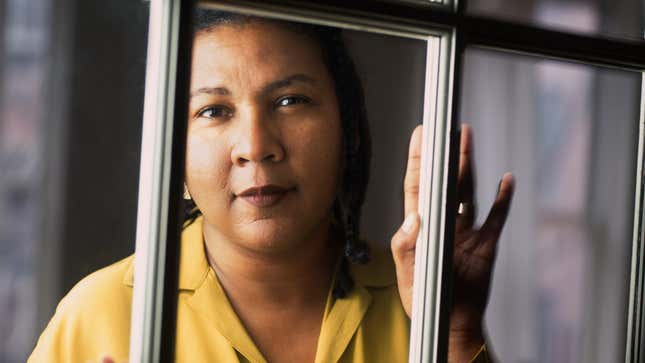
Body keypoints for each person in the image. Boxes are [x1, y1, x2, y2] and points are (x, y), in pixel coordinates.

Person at [28, 9, 514, 363]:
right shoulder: (101, 314)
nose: (256, 146)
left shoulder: (423, 303)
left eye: (290, 101)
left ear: (347, 131)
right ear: (171, 156)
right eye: (214, 111)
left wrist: (454, 333)